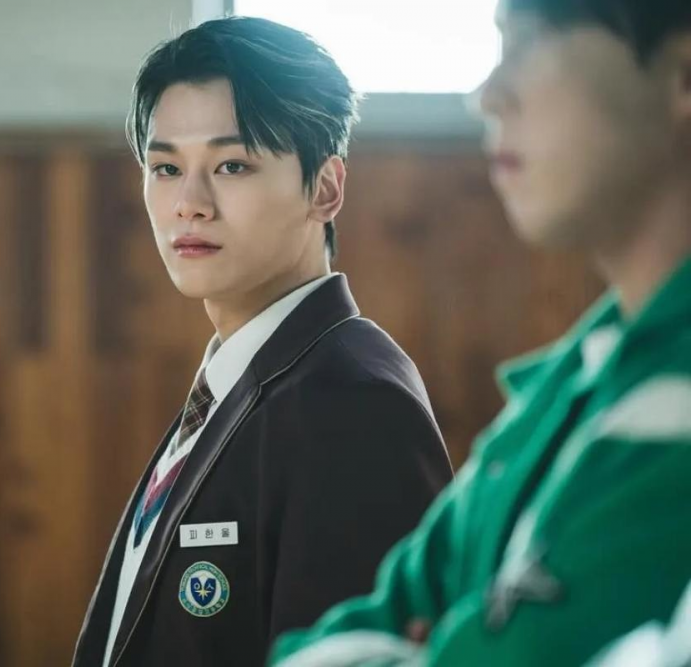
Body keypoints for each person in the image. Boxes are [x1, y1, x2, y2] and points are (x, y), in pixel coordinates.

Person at [269, 0, 691, 665]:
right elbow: (346, 629)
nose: (487, 96)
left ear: (683, 76)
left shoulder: (670, 399)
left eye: (528, 45)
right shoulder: (566, 383)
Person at [72, 16, 453, 667]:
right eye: (166, 167)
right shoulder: (237, 382)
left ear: (326, 188)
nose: (190, 203)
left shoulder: (352, 401)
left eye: (232, 164)